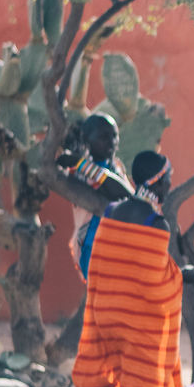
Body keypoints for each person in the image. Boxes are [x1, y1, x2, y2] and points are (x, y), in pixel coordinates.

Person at [72, 150, 190, 387]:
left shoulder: (113, 212)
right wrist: (181, 278)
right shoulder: (157, 225)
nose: (171, 183)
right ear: (157, 180)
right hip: (139, 325)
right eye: (168, 177)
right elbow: (156, 281)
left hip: (108, 315)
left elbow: (109, 264)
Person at [58, 113, 133, 279]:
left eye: (114, 136)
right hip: (92, 245)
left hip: (121, 245)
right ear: (86, 138)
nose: (111, 141)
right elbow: (114, 192)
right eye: (104, 136)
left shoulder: (115, 167)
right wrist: (81, 165)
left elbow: (127, 195)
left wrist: (82, 164)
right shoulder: (77, 172)